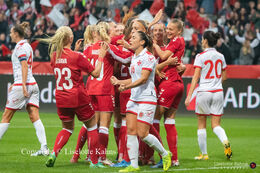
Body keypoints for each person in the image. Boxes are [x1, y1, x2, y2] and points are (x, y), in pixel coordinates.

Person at [41, 26, 105, 168]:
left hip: (61, 97)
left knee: (67, 129)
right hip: (78, 97)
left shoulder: (54, 56)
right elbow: (95, 73)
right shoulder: (78, 56)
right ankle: (94, 162)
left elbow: (67, 62)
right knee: (92, 126)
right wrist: (101, 56)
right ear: (70, 38)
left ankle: (53, 154)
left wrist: (75, 52)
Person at [110, 31, 172, 172]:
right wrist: (119, 81)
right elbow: (134, 78)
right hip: (134, 98)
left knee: (143, 134)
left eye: (133, 38)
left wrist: (126, 86)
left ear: (142, 42)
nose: (130, 40)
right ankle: (134, 165)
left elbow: (144, 79)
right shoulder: (134, 57)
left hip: (147, 98)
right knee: (131, 131)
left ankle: (164, 153)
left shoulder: (148, 57)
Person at [0, 22, 48, 156]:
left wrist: (21, 85)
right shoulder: (26, 45)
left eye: (11, 32)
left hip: (24, 85)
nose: (10, 34)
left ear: (16, 34)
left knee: (6, 116)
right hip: (33, 84)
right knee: (34, 115)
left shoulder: (20, 47)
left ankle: (44, 148)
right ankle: (44, 147)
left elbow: (24, 66)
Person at [185, 31, 232, 160]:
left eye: (202, 39)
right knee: (216, 125)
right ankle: (225, 142)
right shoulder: (220, 56)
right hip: (218, 92)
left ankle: (204, 154)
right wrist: (216, 83)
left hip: (204, 92)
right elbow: (225, 77)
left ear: (205, 41)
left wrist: (189, 96)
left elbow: (195, 78)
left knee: (201, 124)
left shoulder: (200, 56)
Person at [152, 19, 186, 167]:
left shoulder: (176, 41)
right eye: (168, 29)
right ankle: (175, 159)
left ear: (179, 31)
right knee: (169, 120)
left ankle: (163, 156)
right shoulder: (177, 41)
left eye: (171, 29)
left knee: (153, 120)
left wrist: (153, 43)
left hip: (169, 83)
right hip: (178, 83)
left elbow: (164, 56)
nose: (168, 31)